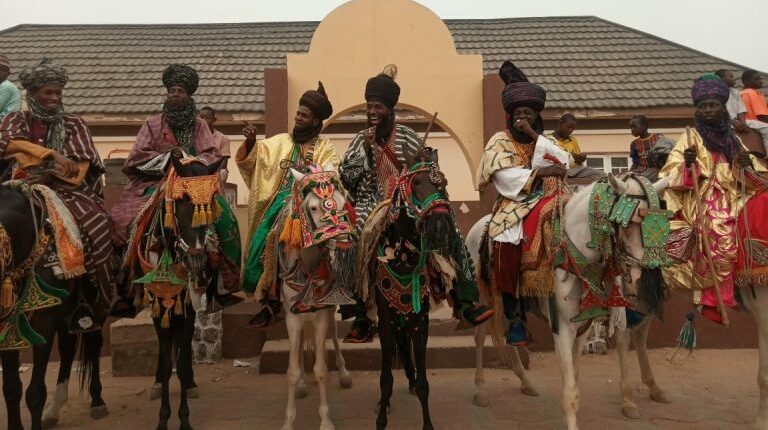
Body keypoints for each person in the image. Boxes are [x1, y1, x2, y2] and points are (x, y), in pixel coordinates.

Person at [339, 65, 493, 343]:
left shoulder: (409, 136)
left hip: (407, 199)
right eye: (369, 106)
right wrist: (366, 152)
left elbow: (430, 170)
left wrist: (434, 174)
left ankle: (465, 301)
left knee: (449, 228)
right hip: (370, 201)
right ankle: (360, 313)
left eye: (378, 107)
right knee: (352, 233)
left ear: (390, 109)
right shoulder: (359, 140)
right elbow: (347, 179)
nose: (372, 112)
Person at [0, 58, 114, 325]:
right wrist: (50, 153)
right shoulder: (15, 119)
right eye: (48, 92)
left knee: (97, 224)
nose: (54, 98)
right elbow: (8, 146)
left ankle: (89, 297)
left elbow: (81, 165)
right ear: (32, 94)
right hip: (16, 186)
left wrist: (48, 173)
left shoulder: (75, 123)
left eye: (58, 93)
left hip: (67, 191)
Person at [476, 61, 568, 345]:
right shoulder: (499, 141)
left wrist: (532, 135)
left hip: (554, 196)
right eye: (517, 114)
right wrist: (540, 172)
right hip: (514, 204)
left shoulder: (544, 139)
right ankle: (515, 316)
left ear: (536, 116)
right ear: (509, 116)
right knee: (505, 239)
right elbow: (504, 177)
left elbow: (566, 161)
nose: (521, 118)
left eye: (527, 113)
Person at [240, 82, 339, 328]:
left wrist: (311, 176)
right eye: (298, 113)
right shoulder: (281, 141)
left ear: (316, 121)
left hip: (311, 202)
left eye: (304, 116)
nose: (298, 118)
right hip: (280, 203)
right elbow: (257, 156)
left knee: (343, 241)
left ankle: (341, 289)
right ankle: (271, 300)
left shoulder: (325, 148)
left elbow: (332, 172)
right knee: (270, 235)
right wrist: (251, 142)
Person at [659, 73, 746, 324]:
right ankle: (713, 298)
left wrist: (744, 165)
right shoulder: (689, 137)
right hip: (701, 200)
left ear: (722, 107)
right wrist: (688, 166)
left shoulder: (733, 139)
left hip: (733, 194)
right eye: (703, 106)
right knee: (719, 230)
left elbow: (747, 170)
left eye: (713, 105)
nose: (707, 110)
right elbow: (669, 173)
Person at [110, 64, 222, 248]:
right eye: (172, 90)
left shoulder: (199, 125)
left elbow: (211, 154)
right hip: (155, 183)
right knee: (121, 217)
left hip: (195, 182)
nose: (175, 94)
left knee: (225, 221)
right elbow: (137, 157)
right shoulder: (152, 124)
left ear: (189, 96)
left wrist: (187, 160)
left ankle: (225, 270)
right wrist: (168, 158)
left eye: (181, 91)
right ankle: (125, 264)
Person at [198, 106, 231, 182]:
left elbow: (223, 164)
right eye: (201, 118)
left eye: (207, 118)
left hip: (216, 172)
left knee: (223, 172)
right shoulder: (194, 137)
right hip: (198, 171)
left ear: (214, 120)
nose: (203, 121)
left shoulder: (223, 138)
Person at [740, 69, 768, 153]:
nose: (760, 81)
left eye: (760, 79)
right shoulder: (753, 92)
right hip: (751, 121)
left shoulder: (742, 92)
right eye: (757, 79)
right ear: (746, 81)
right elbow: (762, 117)